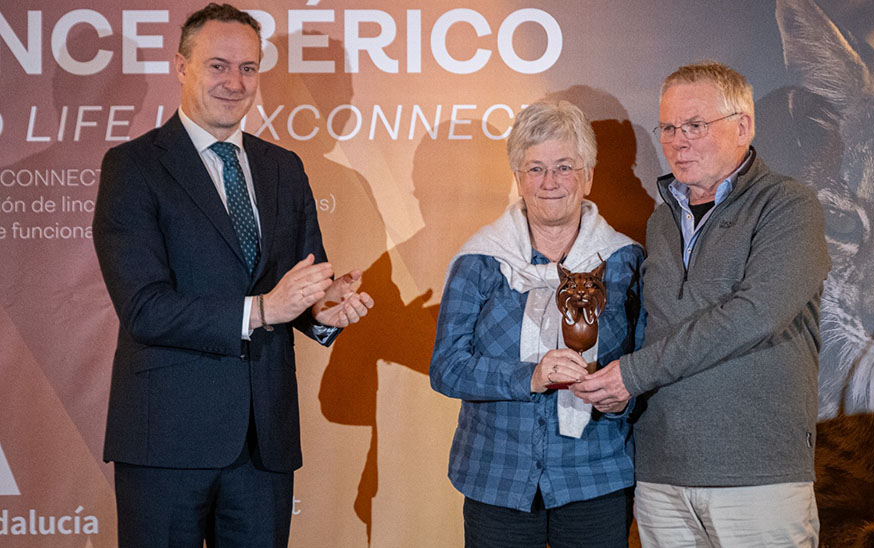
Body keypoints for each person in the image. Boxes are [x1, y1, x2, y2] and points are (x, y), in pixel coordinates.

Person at [92, 4, 374, 547]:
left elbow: (302, 280)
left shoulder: (283, 167)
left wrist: (323, 310)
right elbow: (145, 309)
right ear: (181, 67)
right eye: (218, 65)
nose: (234, 81)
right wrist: (264, 309)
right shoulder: (133, 168)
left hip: (262, 446)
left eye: (248, 68)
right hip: (165, 444)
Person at [572, 60, 830, 547]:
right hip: (661, 477)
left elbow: (754, 314)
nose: (678, 140)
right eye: (668, 127)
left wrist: (632, 374)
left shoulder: (788, 206)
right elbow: (653, 326)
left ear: (743, 126)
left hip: (757, 478)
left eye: (695, 125)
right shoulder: (661, 221)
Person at [430, 100, 645, 548]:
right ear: (517, 178)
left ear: (587, 175)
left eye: (564, 167)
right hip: (497, 477)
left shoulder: (625, 261)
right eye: (535, 169)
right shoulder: (480, 261)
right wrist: (529, 375)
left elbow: (647, 365)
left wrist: (618, 398)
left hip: (596, 476)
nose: (550, 183)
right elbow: (447, 367)